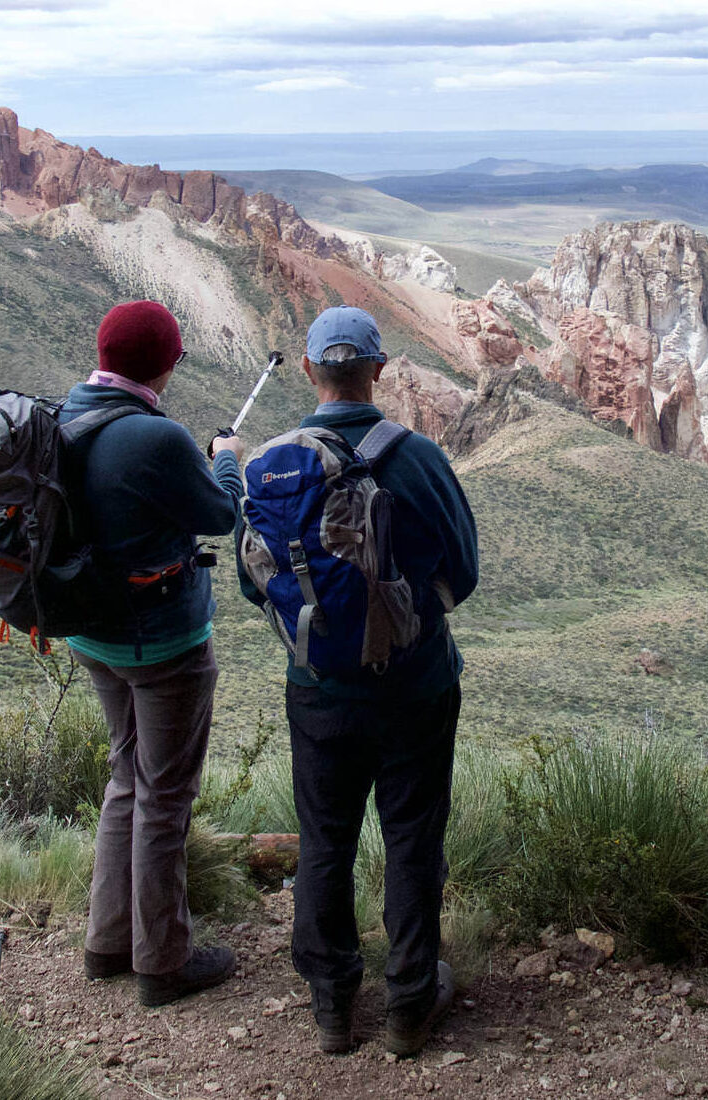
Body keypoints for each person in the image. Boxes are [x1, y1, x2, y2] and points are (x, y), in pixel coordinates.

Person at [237, 306, 479, 1056]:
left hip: (316, 690)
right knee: (412, 839)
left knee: (324, 840)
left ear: (310, 369)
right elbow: (464, 573)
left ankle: (333, 1006)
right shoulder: (417, 457)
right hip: (415, 687)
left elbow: (253, 584)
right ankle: (409, 1004)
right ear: (378, 370)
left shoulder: (271, 466)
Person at [62, 299, 245, 1007]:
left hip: (91, 636)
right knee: (165, 795)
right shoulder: (156, 437)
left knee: (126, 778)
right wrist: (226, 462)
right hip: (162, 643)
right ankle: (164, 962)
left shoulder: (68, 413)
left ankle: (108, 942)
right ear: (165, 364)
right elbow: (221, 514)